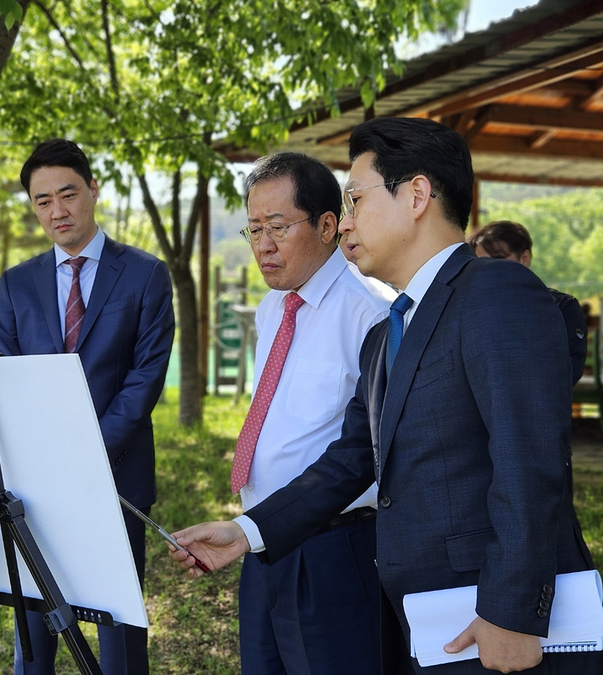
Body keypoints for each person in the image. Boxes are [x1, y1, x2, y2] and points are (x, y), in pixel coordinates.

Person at [170, 117, 599, 675]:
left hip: (489, 620)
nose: (344, 225)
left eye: (354, 200)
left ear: (416, 194)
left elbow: (530, 461)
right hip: (426, 618)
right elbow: (348, 463)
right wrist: (243, 532)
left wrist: (513, 613)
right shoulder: (389, 333)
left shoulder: (493, 290)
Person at [0, 138, 174, 675]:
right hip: (36, 482)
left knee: (118, 630)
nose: (57, 211)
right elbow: (6, 377)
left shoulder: (144, 274)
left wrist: (88, 452)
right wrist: (45, 456)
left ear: (93, 190)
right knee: (34, 624)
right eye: (42, 201)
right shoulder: (16, 283)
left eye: (67, 194)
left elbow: (144, 379)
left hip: (116, 475)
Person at [232, 152, 394, 675]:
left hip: (335, 549)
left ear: (329, 225)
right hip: (262, 538)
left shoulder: (373, 314)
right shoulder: (271, 308)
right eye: (254, 229)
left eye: (278, 226)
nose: (264, 244)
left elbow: (372, 450)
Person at [468, 220, 587, 386]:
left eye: (498, 260)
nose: (489, 269)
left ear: (524, 258)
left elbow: (568, 371)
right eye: (481, 263)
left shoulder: (561, 307)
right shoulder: (469, 309)